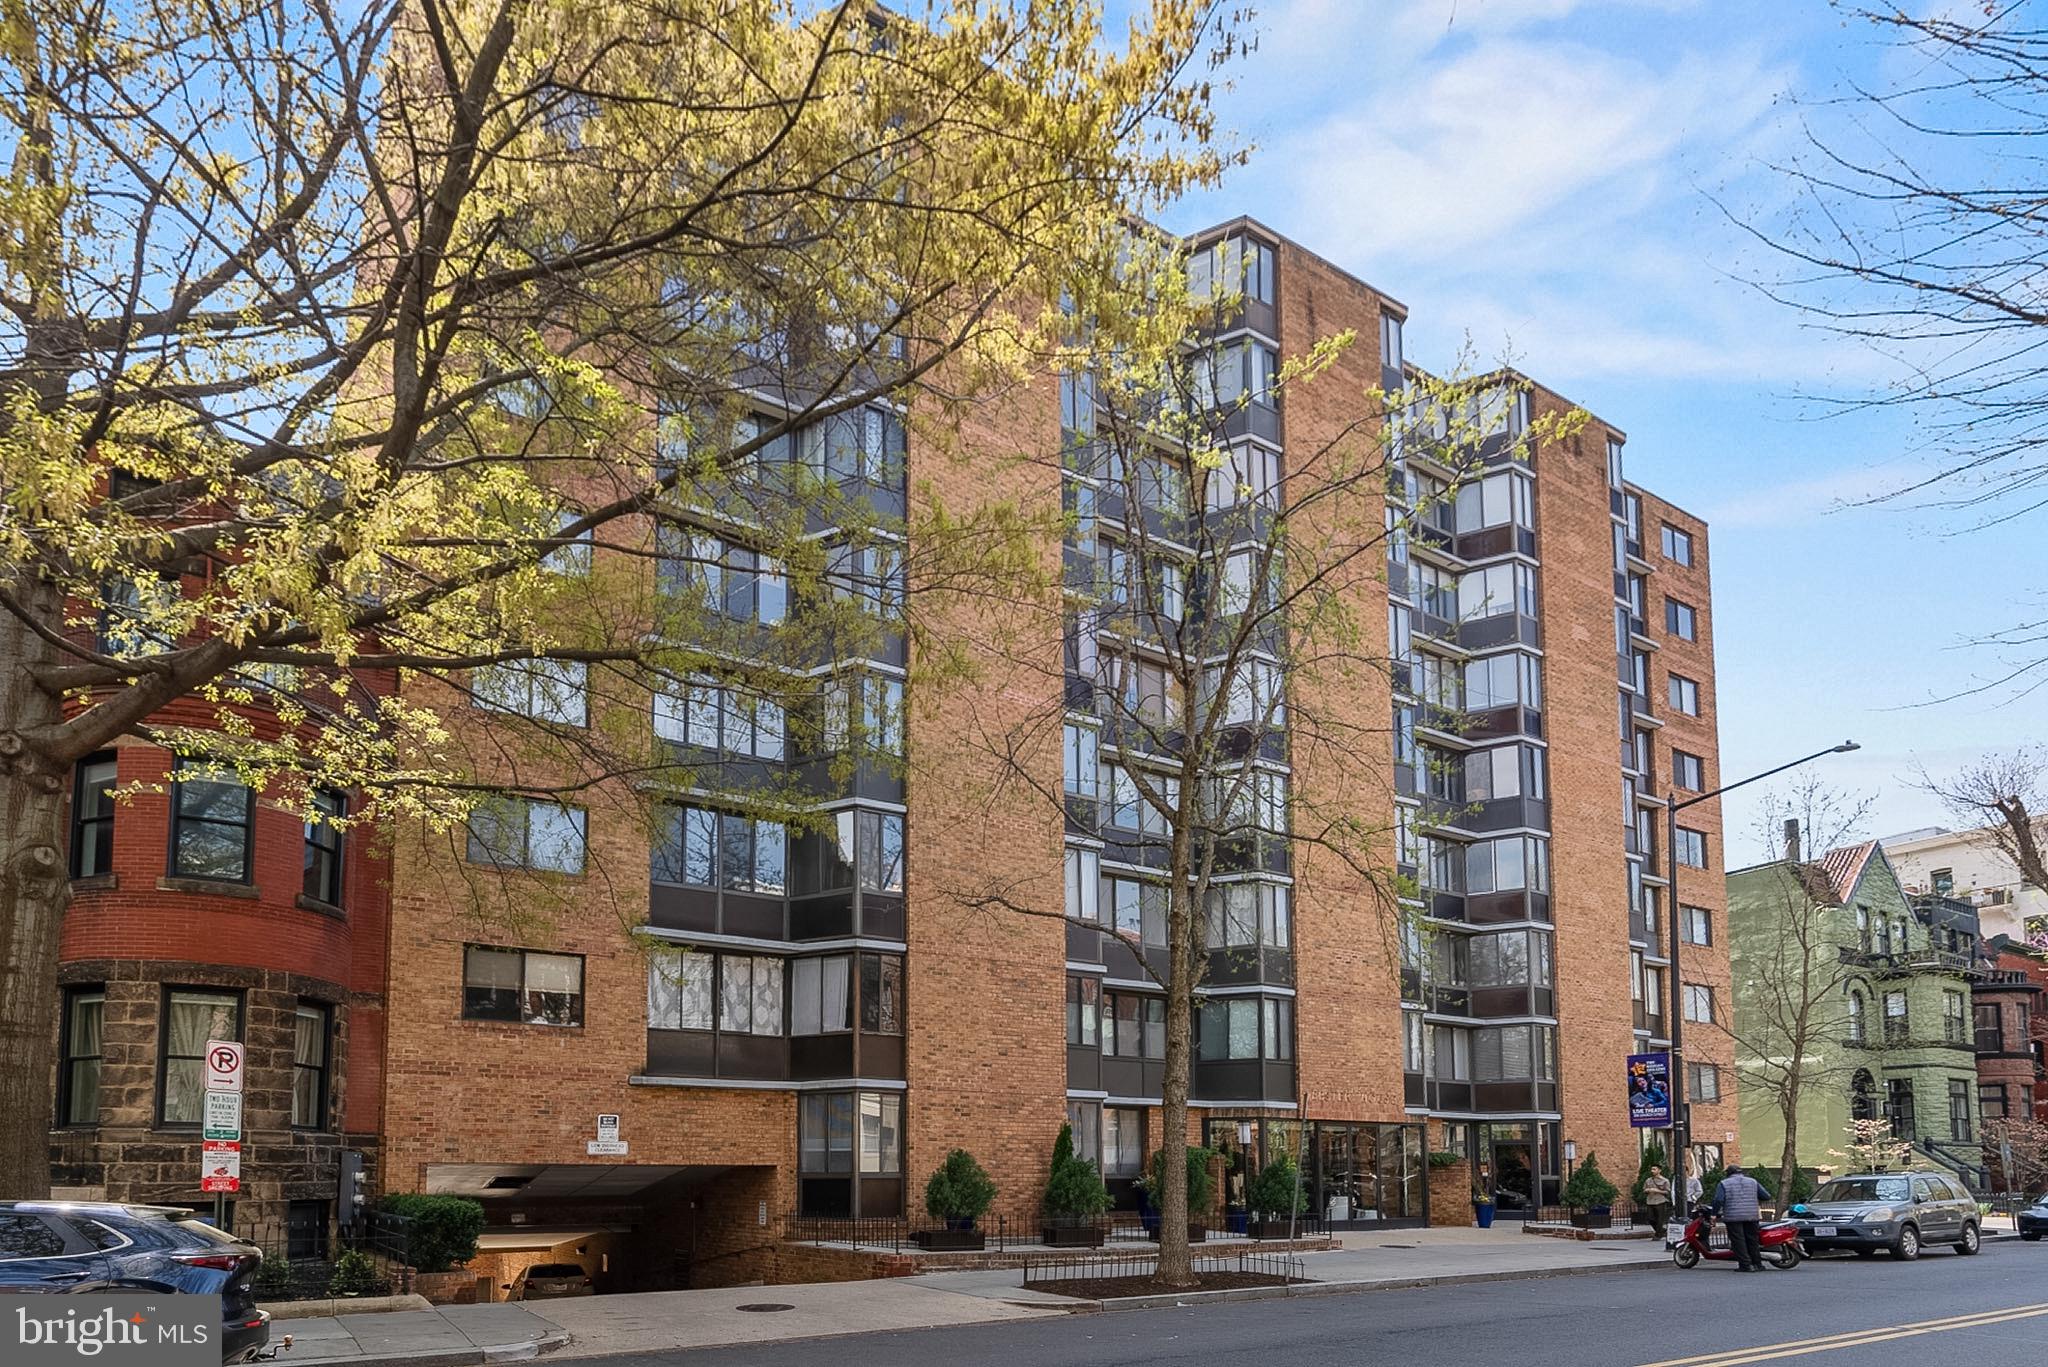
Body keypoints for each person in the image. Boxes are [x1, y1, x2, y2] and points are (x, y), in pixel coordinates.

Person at [1712, 1163, 1766, 1272]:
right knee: (1752, 1240)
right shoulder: (1753, 1182)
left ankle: (1745, 1265)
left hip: (1733, 1216)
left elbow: (1718, 1200)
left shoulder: (1724, 1183)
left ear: (1728, 1173)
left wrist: (1714, 1213)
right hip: (1751, 1215)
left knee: (1738, 1241)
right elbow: (1765, 1195)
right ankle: (1757, 1264)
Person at [1642, 1164, 1673, 1245]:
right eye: (1652, 1169)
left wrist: (1657, 1190)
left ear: (1659, 1170)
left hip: (1660, 1201)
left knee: (1660, 1219)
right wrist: (1648, 1190)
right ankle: (1661, 1230)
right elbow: (1644, 1189)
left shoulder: (1664, 1180)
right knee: (1650, 1218)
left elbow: (1667, 1191)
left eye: (1654, 1169)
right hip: (1650, 1200)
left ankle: (1658, 1235)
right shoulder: (1648, 1180)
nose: (1652, 1171)